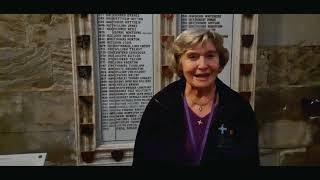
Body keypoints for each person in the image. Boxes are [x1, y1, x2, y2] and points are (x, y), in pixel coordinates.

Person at [132, 28, 260, 166]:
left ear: (220, 62)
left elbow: (249, 161)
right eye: (193, 57)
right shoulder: (160, 106)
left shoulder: (239, 109)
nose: (203, 65)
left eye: (210, 56)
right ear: (180, 63)